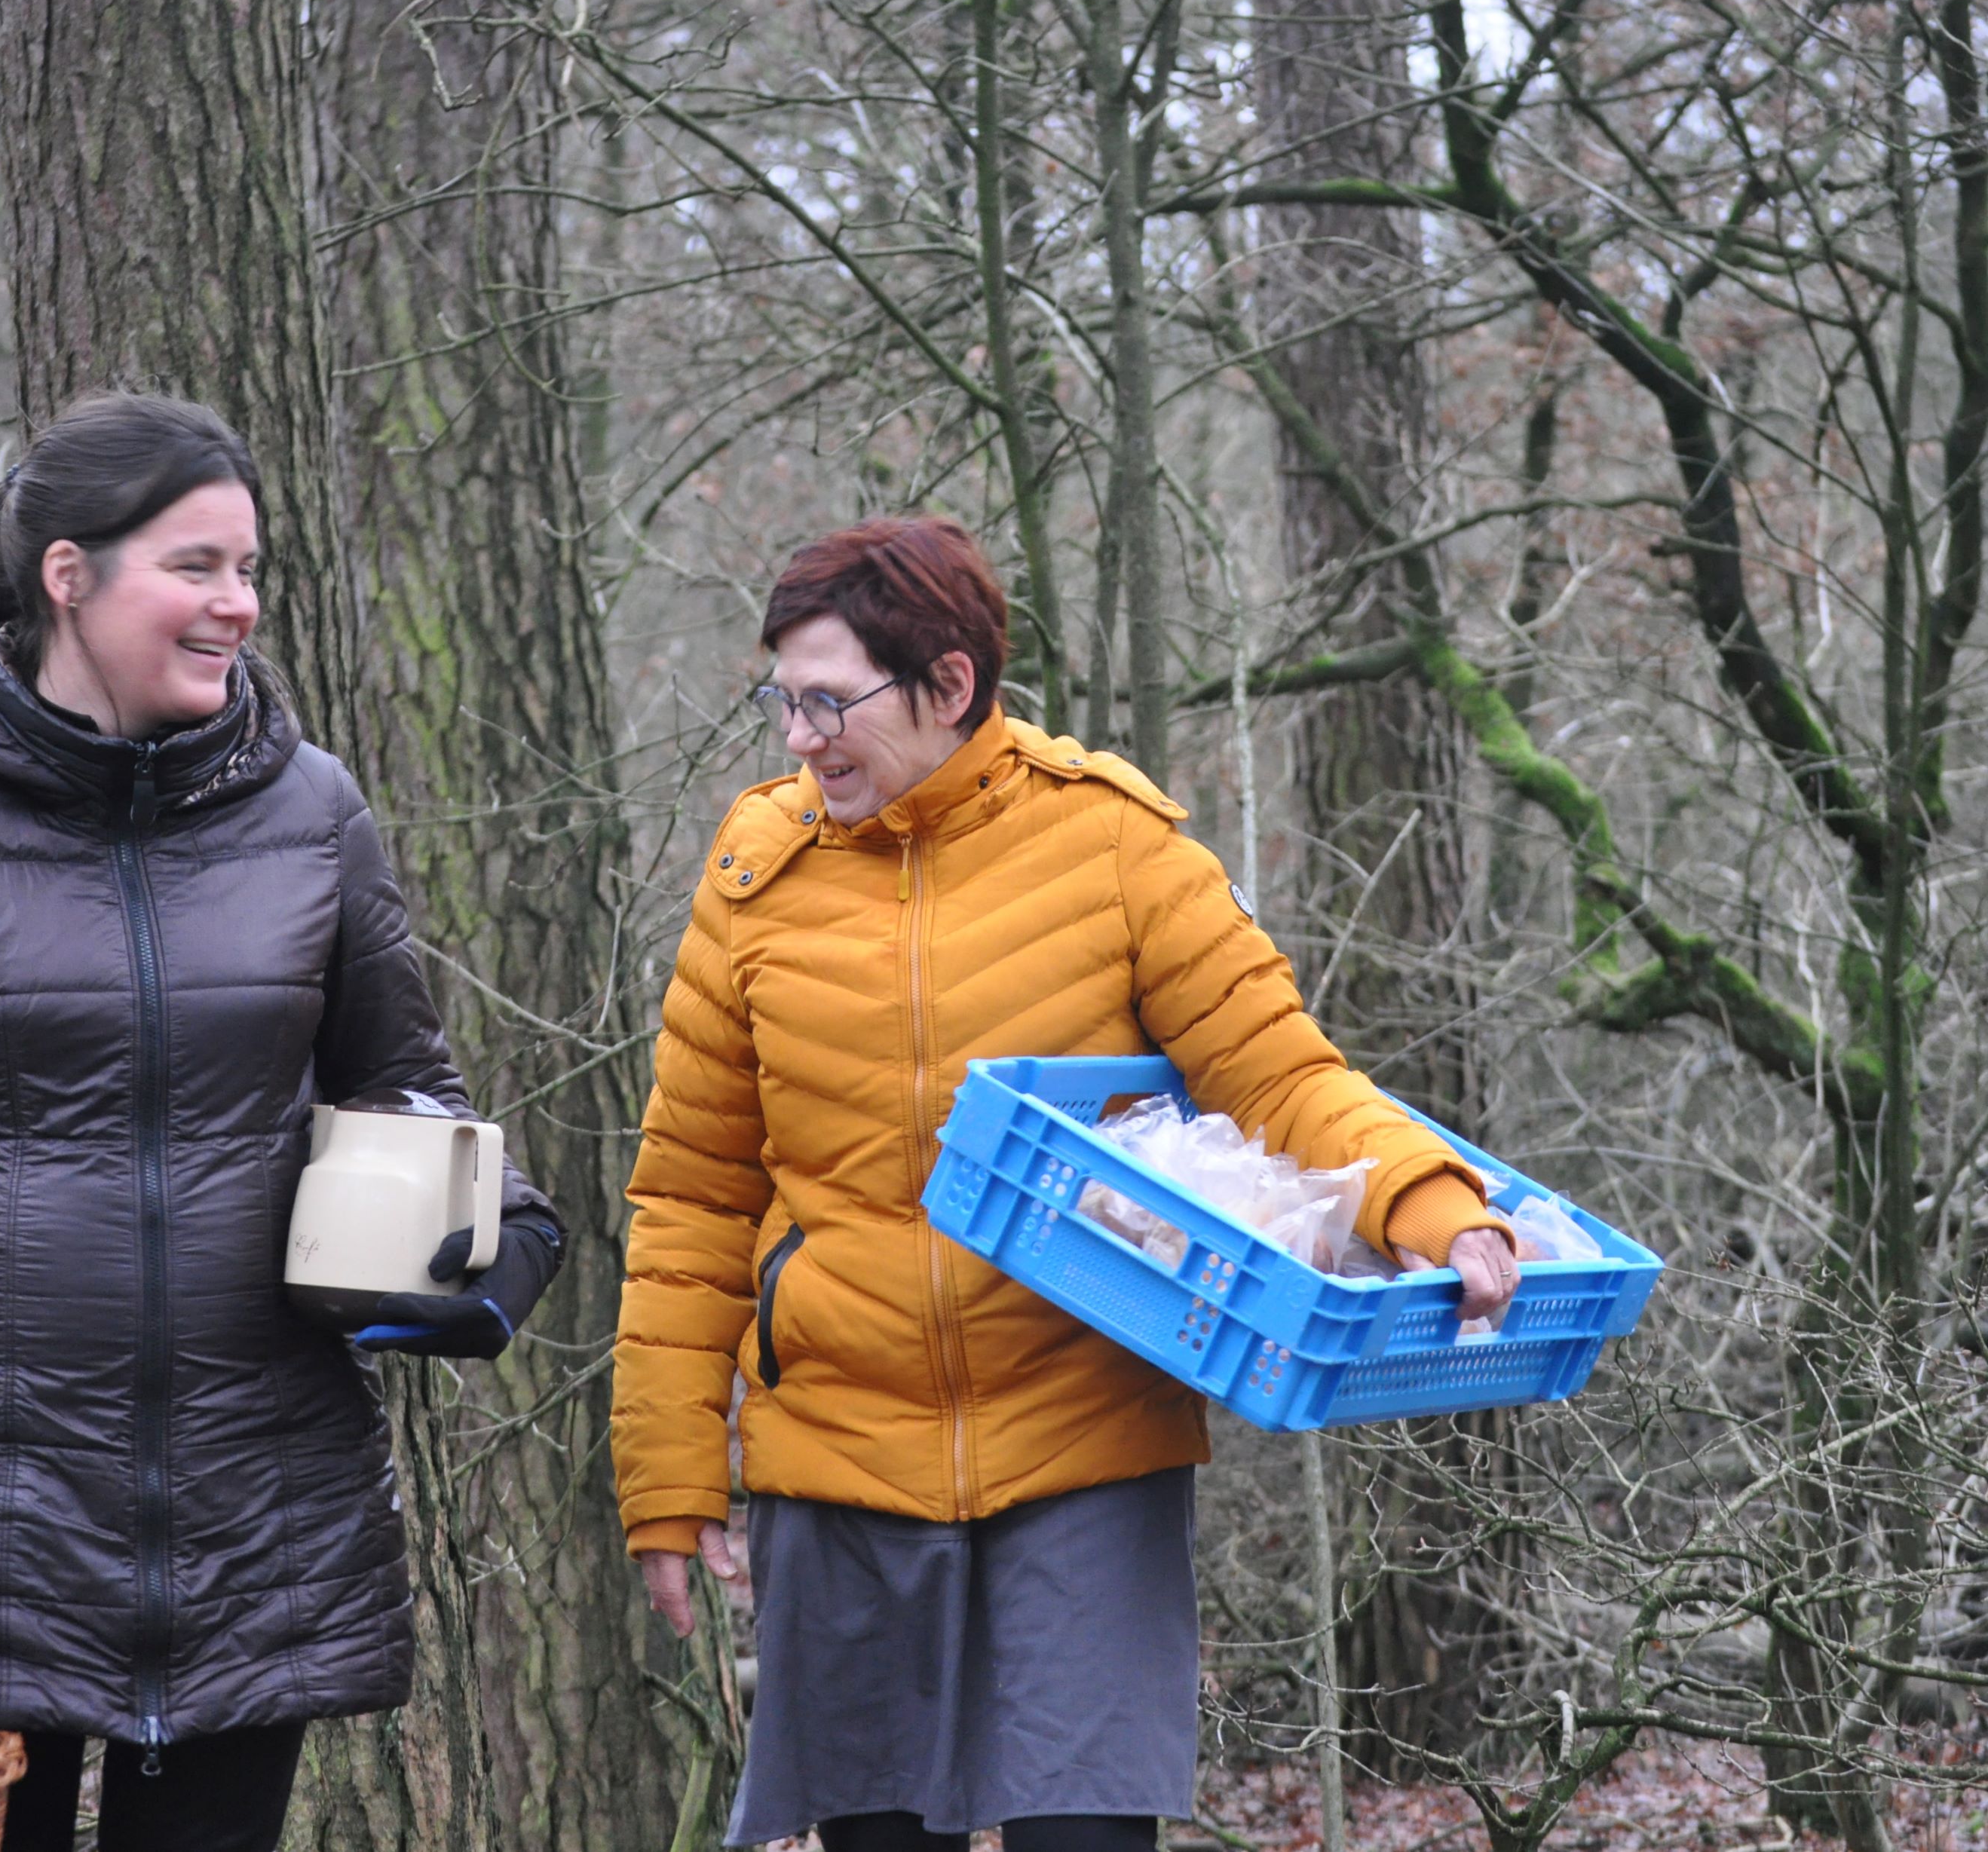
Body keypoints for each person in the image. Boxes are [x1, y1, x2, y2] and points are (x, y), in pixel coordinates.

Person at [0, 393, 561, 1852]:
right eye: (197, 566)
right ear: (68, 577)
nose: (240, 603)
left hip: (257, 1510)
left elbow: (408, 1092)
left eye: (248, 568)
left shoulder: (313, 813)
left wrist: (504, 1242)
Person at [611, 517, 1520, 1852]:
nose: (800, 739)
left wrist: (1434, 1209)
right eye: (782, 701)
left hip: (1085, 1452)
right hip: (839, 1462)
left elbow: (1280, 1076)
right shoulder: (757, 873)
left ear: (949, 685)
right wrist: (670, 1475)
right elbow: (693, 1198)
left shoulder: (1113, 846)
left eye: (828, 703)